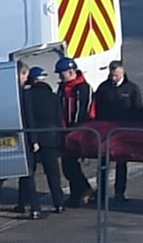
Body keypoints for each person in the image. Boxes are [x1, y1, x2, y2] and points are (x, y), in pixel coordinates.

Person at [0, 60, 42, 219]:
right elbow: (29, 117)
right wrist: (34, 140)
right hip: (21, 137)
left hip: (1, 137)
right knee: (27, 174)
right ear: (22, 73)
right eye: (25, 75)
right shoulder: (24, 94)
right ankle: (35, 208)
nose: (26, 79)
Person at [93, 59, 143, 202]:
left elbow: (138, 110)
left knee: (122, 163)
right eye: (112, 75)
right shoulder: (103, 88)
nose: (113, 78)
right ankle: (101, 192)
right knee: (103, 163)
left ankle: (120, 192)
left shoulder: (132, 89)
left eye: (116, 75)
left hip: (123, 132)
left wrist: (135, 130)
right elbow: (97, 108)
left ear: (123, 72)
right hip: (105, 132)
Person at [25, 66, 66, 213]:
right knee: (53, 173)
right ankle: (59, 203)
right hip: (51, 138)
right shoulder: (53, 97)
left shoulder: (27, 96)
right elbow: (59, 118)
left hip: (32, 138)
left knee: (29, 173)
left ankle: (27, 204)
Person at [56, 56, 96, 207]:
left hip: (78, 133)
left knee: (72, 164)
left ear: (71, 71)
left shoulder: (83, 88)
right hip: (66, 132)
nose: (60, 76)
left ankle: (84, 190)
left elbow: (82, 111)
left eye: (62, 73)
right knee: (68, 165)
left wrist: (76, 131)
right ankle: (78, 193)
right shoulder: (63, 88)